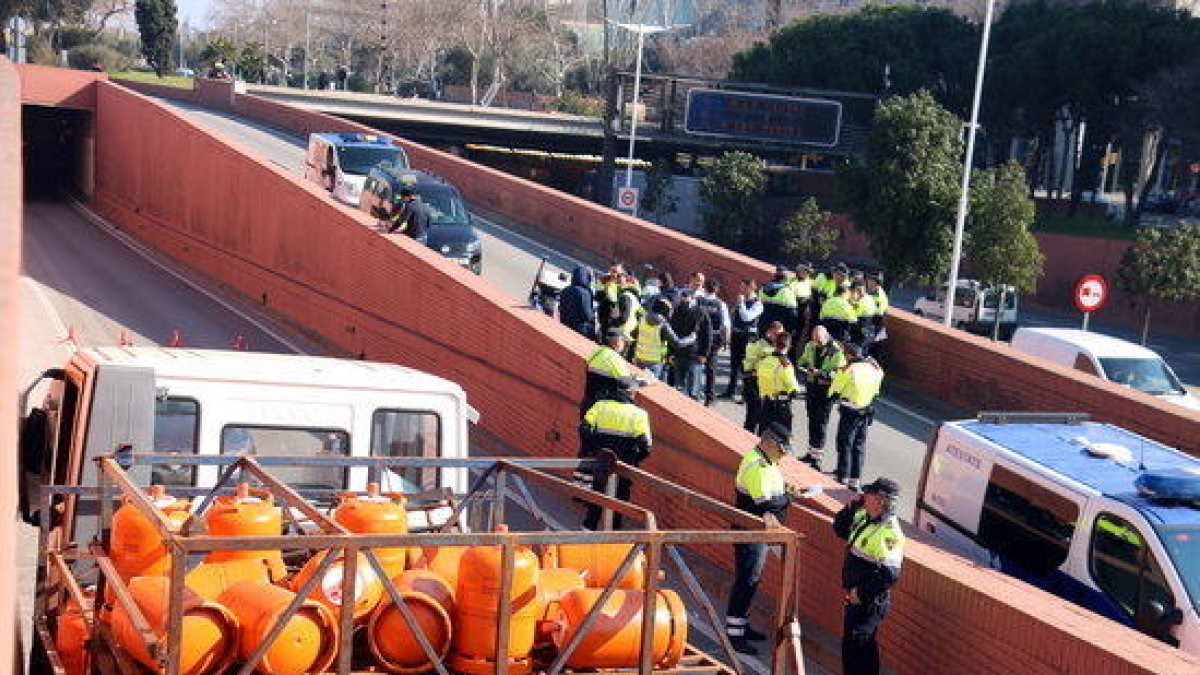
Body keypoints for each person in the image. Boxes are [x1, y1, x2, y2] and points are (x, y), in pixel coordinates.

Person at [725, 422, 800, 656]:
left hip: (758, 532)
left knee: (752, 579)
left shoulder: (768, 461)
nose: (784, 453)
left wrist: (785, 491)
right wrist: (788, 498)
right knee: (747, 579)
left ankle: (742, 625)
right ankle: (734, 635)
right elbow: (766, 503)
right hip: (750, 531)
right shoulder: (757, 465)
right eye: (781, 448)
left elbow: (772, 492)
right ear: (768, 442)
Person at [832, 477, 905, 675]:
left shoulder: (889, 533)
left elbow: (890, 574)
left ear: (881, 501)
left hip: (868, 601)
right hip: (856, 597)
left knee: (857, 649)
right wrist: (850, 508)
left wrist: (860, 593)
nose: (864, 496)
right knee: (859, 647)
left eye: (869, 495)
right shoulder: (864, 516)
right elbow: (839, 529)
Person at [579, 380, 651, 531]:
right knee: (621, 499)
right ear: (632, 393)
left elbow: (584, 429)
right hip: (624, 464)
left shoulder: (599, 406)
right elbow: (645, 445)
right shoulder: (639, 414)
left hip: (601, 460)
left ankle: (588, 528)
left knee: (597, 494)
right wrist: (635, 460)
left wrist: (592, 449)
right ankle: (615, 533)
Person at [829, 344, 884, 491]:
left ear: (849, 355)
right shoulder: (873, 369)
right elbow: (879, 378)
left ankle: (842, 477)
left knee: (845, 444)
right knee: (859, 447)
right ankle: (855, 480)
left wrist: (833, 393)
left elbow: (835, 389)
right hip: (865, 411)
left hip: (850, 411)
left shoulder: (848, 370)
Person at [798, 326, 847, 471]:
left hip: (826, 391)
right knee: (812, 419)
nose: (816, 343)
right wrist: (805, 367)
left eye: (819, 341)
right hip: (812, 387)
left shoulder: (836, 351)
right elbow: (803, 360)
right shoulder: (810, 345)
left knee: (820, 423)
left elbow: (839, 374)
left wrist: (820, 373)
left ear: (826, 337)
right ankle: (811, 453)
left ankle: (817, 458)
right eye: (814, 340)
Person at [633, 298, 695, 379]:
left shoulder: (642, 319)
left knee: (639, 386)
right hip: (654, 362)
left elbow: (634, 334)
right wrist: (691, 338)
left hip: (639, 359)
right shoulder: (663, 325)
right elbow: (677, 343)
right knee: (652, 388)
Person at [740, 321, 784, 432]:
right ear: (769, 332)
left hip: (771, 388)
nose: (779, 337)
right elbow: (748, 367)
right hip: (754, 384)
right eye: (776, 334)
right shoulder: (758, 345)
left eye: (781, 334)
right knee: (752, 418)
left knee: (766, 421)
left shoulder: (780, 347)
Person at [669, 288, 712, 401]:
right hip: (679, 354)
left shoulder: (700, 312)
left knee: (693, 390)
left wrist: (704, 354)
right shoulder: (677, 311)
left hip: (695, 355)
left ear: (692, 298)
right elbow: (672, 332)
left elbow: (707, 335)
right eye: (681, 297)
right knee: (679, 389)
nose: (683, 300)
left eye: (685, 297)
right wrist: (671, 352)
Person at [723, 279, 762, 399]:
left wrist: (741, 304)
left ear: (751, 288)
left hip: (748, 338)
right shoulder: (742, 301)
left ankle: (746, 394)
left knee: (747, 366)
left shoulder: (758, 303)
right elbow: (733, 316)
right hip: (737, 335)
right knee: (734, 364)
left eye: (743, 287)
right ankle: (730, 391)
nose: (741, 290)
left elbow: (747, 318)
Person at [755, 331, 800, 436]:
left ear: (774, 344)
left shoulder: (765, 360)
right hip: (781, 406)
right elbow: (793, 387)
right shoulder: (785, 364)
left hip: (766, 402)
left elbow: (759, 376)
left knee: (763, 435)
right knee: (781, 438)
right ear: (789, 347)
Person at [698, 279, 730, 406]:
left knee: (696, 365)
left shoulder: (699, 300)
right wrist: (726, 341)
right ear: (717, 290)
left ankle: (693, 391)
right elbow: (726, 324)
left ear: (705, 288)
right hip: (714, 337)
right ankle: (709, 398)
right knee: (711, 368)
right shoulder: (721, 304)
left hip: (699, 336)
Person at [757, 267, 798, 337]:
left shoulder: (763, 288)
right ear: (785, 278)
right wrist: (791, 330)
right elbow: (792, 314)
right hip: (778, 329)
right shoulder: (787, 291)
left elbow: (758, 306)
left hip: (763, 324)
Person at [559, 266, 597, 340]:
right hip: (580, 329)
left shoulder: (565, 290)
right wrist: (594, 315)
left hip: (565, 324)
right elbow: (587, 314)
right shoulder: (585, 293)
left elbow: (561, 308)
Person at [849, 283, 879, 352]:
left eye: (857, 291)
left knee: (857, 351)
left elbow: (852, 315)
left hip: (860, 330)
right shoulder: (870, 298)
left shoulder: (861, 302)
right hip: (869, 329)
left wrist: (851, 303)